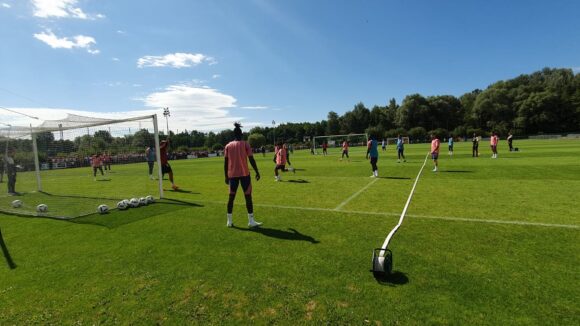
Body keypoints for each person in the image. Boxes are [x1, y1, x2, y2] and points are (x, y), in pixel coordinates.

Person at [224, 123, 262, 228]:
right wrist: (257, 171)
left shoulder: (228, 145)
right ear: (241, 134)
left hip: (232, 175)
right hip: (244, 174)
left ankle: (229, 221)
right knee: (248, 197)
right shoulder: (245, 144)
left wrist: (226, 176)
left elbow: (226, 163)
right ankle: (251, 221)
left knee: (231, 198)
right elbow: (251, 159)